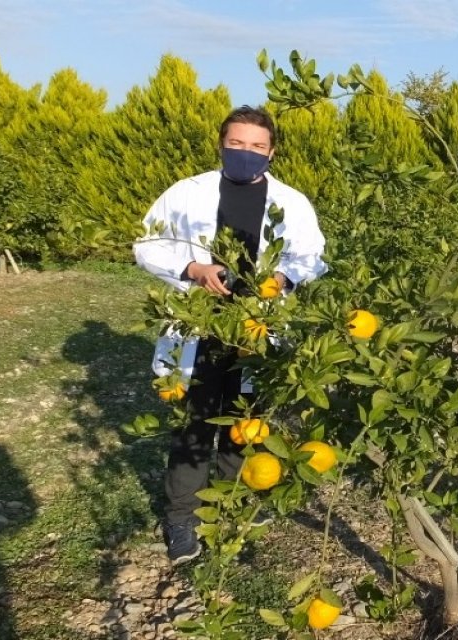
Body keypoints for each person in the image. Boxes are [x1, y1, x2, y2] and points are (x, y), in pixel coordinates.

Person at [134, 105, 328, 565]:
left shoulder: (292, 203)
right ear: (222, 145)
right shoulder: (187, 193)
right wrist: (193, 268)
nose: (246, 152)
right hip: (200, 323)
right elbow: (146, 244)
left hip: (257, 328)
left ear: (272, 152)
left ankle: (233, 505)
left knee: (246, 422)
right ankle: (182, 518)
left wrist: (283, 278)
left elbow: (313, 256)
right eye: (237, 144)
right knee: (196, 424)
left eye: (257, 146)